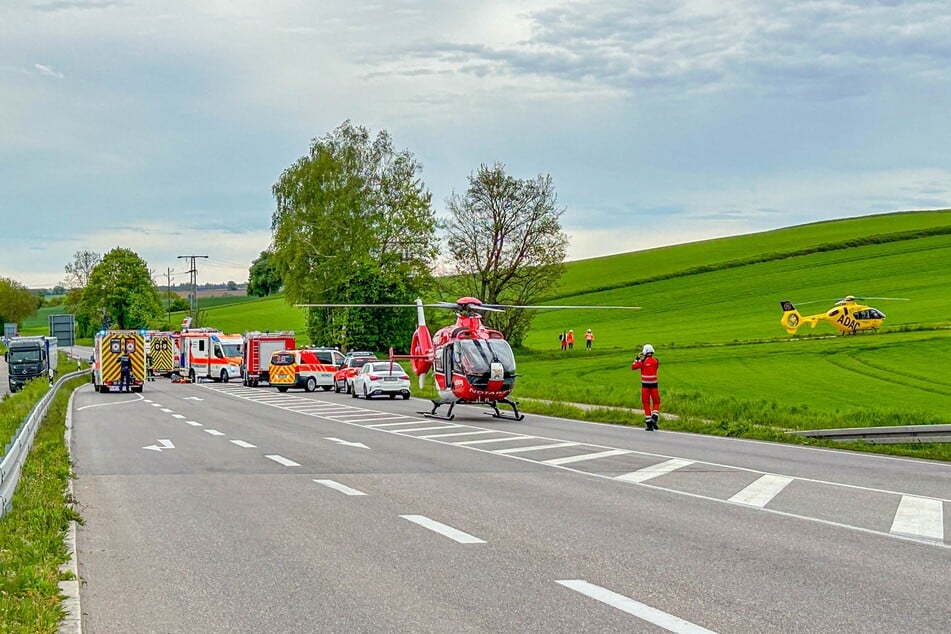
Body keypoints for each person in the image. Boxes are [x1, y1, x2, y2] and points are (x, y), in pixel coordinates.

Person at [631, 344, 660, 431]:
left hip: (645, 386)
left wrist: (637, 358)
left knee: (646, 403)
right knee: (656, 402)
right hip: (654, 385)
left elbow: (633, 367)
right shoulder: (656, 361)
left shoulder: (642, 362)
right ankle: (654, 418)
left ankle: (649, 424)